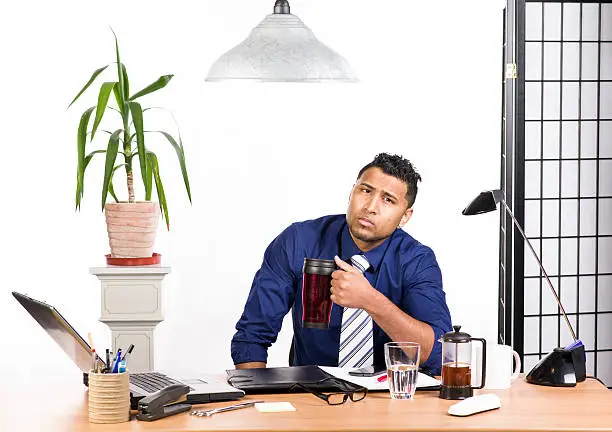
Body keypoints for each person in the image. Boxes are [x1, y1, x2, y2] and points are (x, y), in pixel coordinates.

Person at [231, 153, 452, 374]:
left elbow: (439, 354)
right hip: (311, 394)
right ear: (351, 192)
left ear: (405, 217)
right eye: (365, 191)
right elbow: (252, 337)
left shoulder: (417, 260)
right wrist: (257, 397)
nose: (370, 207)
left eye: (388, 200)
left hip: (391, 396)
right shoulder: (299, 241)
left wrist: (370, 300)